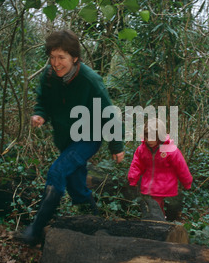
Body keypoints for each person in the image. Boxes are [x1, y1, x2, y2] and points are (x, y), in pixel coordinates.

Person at [16, 29, 124, 246]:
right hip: (65, 138)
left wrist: (116, 146)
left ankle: (35, 231)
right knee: (76, 186)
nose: (56, 63)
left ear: (74, 58)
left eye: (61, 57)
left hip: (88, 137)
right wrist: (40, 114)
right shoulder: (49, 76)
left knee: (57, 171)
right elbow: (42, 100)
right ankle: (97, 226)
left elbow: (109, 113)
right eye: (52, 57)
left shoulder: (90, 80)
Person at [127, 118, 192, 217]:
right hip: (149, 184)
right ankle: (160, 219)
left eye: (153, 138)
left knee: (156, 206)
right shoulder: (142, 149)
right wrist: (133, 179)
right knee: (154, 206)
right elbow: (136, 164)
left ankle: (159, 221)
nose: (149, 141)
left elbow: (181, 167)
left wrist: (187, 182)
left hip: (165, 185)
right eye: (147, 137)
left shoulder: (169, 149)